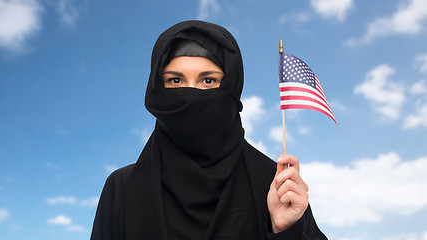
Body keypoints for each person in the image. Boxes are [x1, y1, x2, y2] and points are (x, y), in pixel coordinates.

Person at [91, 20, 328, 240]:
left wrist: (285, 230)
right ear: (156, 90)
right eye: (175, 81)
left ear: (232, 86)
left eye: (208, 81)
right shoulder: (123, 189)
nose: (191, 93)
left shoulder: (275, 185)